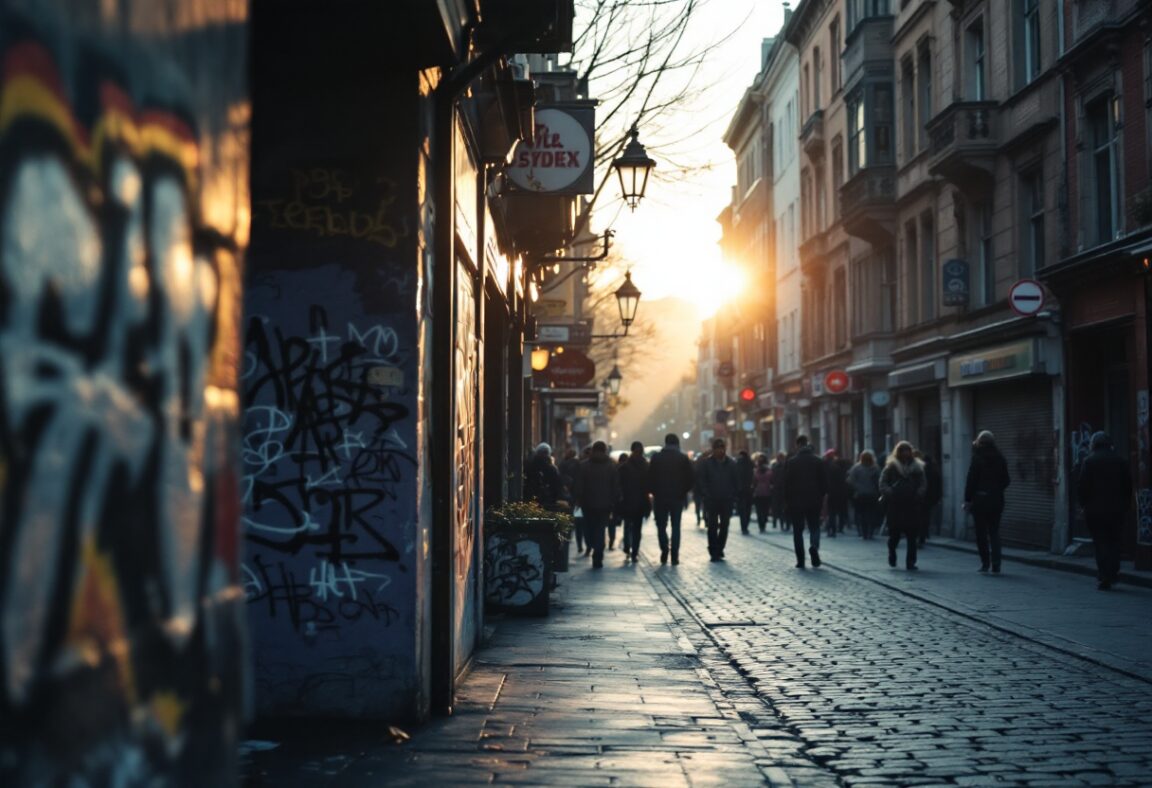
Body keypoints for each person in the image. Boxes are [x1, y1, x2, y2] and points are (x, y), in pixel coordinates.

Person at [1076, 431, 1133, 590]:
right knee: (1114, 541)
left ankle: (1104, 574)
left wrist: (1083, 505)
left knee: (1100, 542)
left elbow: (1082, 487)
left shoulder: (1089, 461)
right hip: (1117, 510)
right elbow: (1128, 486)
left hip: (1095, 511)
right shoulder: (1121, 461)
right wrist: (1126, 506)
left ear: (1094, 444)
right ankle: (1113, 572)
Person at [964, 430, 1011, 574]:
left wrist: (967, 499)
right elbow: (1006, 480)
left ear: (979, 442)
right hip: (996, 501)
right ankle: (996, 564)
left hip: (980, 501)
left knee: (981, 533)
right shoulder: (1000, 458)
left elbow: (971, 481)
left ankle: (985, 563)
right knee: (994, 532)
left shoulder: (977, 458)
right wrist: (996, 490)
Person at [648, 433, 696, 565]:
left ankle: (664, 548)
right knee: (676, 526)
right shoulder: (682, 458)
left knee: (661, 525)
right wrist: (683, 491)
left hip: (660, 497)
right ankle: (675, 555)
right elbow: (691, 478)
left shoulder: (656, 457)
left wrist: (654, 491)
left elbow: (649, 477)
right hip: (677, 497)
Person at [880, 441, 927, 570]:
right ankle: (892, 553)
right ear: (898, 452)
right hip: (895, 505)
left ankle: (910, 562)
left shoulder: (917, 467)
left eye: (907, 450)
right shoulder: (891, 467)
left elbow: (923, 483)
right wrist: (890, 492)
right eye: (903, 450)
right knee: (894, 535)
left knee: (912, 535)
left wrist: (919, 494)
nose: (906, 453)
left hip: (912, 505)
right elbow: (883, 483)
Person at [574, 441, 621, 569]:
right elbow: (615, 487)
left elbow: (579, 486)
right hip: (605, 505)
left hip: (587, 504)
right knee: (600, 530)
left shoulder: (584, 466)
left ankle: (592, 545)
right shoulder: (611, 466)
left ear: (593, 450)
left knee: (588, 529)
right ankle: (598, 554)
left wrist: (578, 500)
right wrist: (613, 501)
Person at [783, 435, 827, 568]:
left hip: (796, 502)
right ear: (807, 444)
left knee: (798, 531)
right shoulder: (818, 461)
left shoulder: (792, 462)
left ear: (797, 445)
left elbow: (787, 484)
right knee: (814, 527)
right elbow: (824, 483)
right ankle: (814, 546)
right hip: (814, 500)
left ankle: (800, 560)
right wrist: (820, 496)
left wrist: (787, 501)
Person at [698, 438, 739, 562]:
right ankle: (713, 550)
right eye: (717, 449)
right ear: (713, 450)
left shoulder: (731, 464)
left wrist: (733, 495)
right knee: (712, 526)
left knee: (725, 525)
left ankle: (720, 548)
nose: (720, 451)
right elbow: (702, 480)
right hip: (712, 500)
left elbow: (735, 481)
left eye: (722, 448)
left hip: (727, 500)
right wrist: (706, 494)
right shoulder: (707, 463)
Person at [618, 441, 651, 565]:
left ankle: (628, 547)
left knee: (628, 525)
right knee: (637, 528)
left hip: (628, 500)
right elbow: (649, 485)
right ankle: (634, 552)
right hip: (641, 502)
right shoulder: (646, 466)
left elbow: (619, 484)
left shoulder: (625, 466)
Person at [848, 450, 881, 539]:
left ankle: (864, 533)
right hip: (872, 494)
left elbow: (850, 480)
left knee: (862, 514)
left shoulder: (856, 468)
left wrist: (857, 487)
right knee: (871, 513)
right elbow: (879, 482)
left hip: (860, 494)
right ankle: (870, 532)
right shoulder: (875, 468)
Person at [524, 442, 563, 509]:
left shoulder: (530, 465)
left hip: (534, 498)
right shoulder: (552, 468)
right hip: (548, 499)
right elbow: (557, 485)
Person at [824, 449, 851, 537]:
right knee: (840, 511)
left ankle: (832, 529)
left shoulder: (826, 465)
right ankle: (839, 527)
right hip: (841, 492)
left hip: (831, 492)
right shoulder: (842, 466)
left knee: (831, 512)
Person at [917, 451, 943, 547]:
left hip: (921, 497)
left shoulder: (920, 470)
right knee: (926, 517)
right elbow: (939, 486)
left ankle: (921, 536)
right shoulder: (934, 471)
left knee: (920, 518)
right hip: (930, 498)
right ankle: (924, 535)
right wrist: (938, 497)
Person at [609, 452, 628, 551]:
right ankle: (627, 542)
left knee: (612, 522)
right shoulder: (629, 470)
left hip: (615, 500)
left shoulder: (614, 469)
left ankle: (612, 540)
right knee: (627, 522)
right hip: (626, 500)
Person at [735, 449, 755, 534]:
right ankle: (746, 525)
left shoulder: (737, 463)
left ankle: (743, 526)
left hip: (740, 490)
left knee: (741, 509)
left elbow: (735, 477)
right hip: (749, 490)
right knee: (748, 509)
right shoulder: (750, 463)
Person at [752, 454, 774, 533]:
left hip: (758, 492)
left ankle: (761, 525)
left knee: (759, 510)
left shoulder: (756, 471)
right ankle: (763, 524)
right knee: (765, 510)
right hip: (767, 492)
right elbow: (772, 481)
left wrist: (753, 490)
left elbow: (754, 482)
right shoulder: (769, 471)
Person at [693, 448, 711, 526]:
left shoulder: (697, 462)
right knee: (705, 504)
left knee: (698, 504)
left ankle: (698, 518)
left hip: (697, 487)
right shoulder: (708, 463)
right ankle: (705, 517)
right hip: (704, 487)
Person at [770, 451, 789, 530]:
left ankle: (781, 523)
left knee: (781, 507)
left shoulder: (784, 466)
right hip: (779, 489)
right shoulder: (776, 466)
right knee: (779, 507)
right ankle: (777, 522)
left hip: (781, 489)